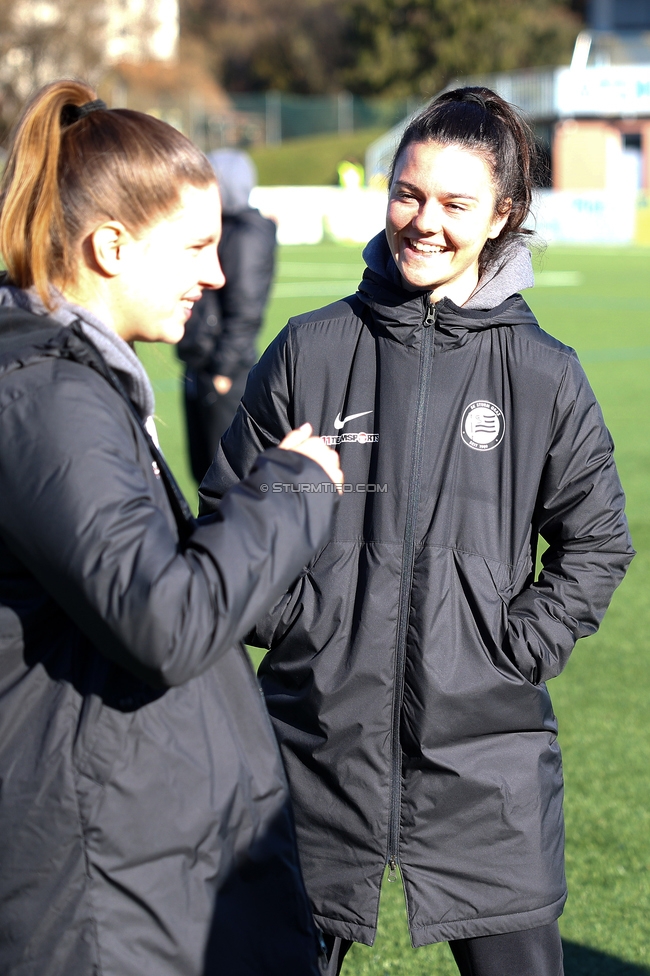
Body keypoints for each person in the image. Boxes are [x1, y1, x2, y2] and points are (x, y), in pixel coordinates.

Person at [199, 87, 635, 976]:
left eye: (454, 203)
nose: (424, 222)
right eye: (408, 193)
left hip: (490, 769)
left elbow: (597, 541)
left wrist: (511, 648)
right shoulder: (311, 348)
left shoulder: (544, 374)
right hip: (311, 754)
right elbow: (230, 508)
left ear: (502, 215)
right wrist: (299, 621)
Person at [0, 80, 344, 976]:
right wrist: (292, 490)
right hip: (97, 882)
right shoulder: (50, 395)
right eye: (196, 246)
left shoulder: (76, 383)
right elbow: (163, 621)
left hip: (131, 861)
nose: (217, 274)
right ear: (111, 247)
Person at [177, 148, 277, 482]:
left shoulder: (245, 235)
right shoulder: (228, 227)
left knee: (223, 475)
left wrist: (223, 369)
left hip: (222, 370)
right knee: (203, 469)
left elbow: (244, 310)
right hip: (202, 361)